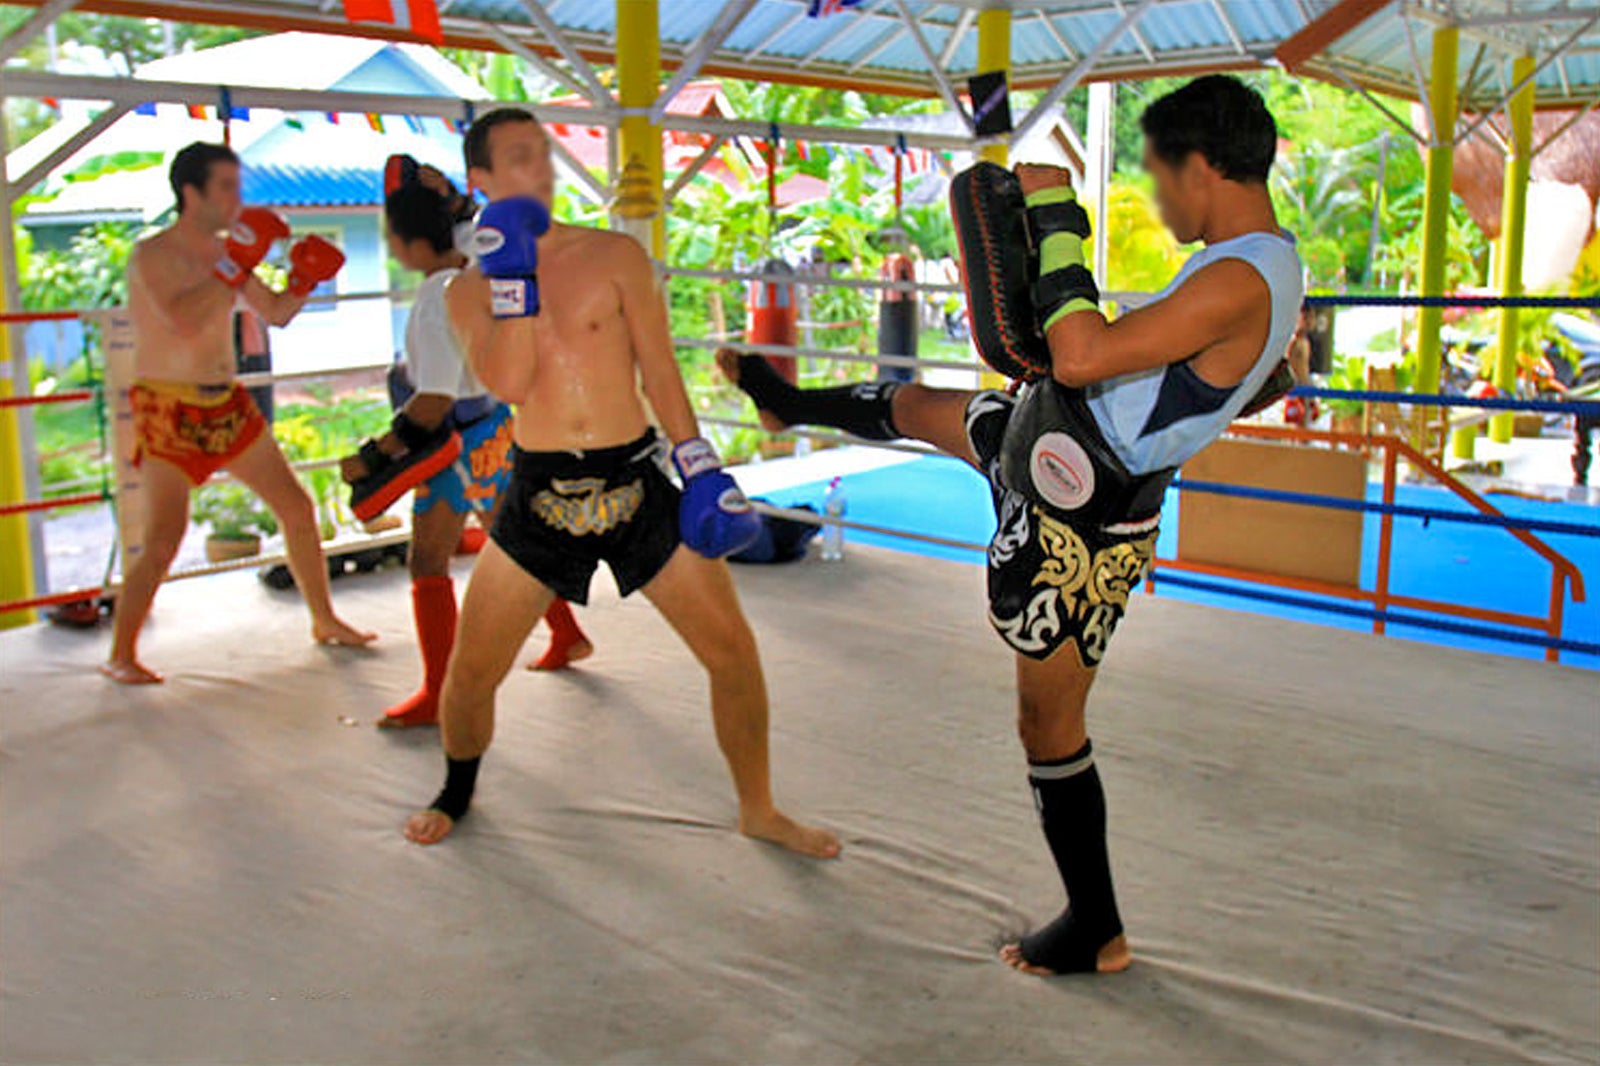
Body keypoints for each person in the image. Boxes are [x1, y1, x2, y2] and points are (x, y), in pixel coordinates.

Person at [718, 75, 1302, 972]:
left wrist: (1053, 212)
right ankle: (784, 400)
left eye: (1158, 174)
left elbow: (1080, 353)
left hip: (1085, 515)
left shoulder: (1235, 275)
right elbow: (1246, 372)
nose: (1154, 194)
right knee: (914, 404)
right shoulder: (1270, 262)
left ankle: (1094, 924)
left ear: (1202, 167)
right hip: (1056, 439)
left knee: (1049, 727)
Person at [401, 108, 839, 861]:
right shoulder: (464, 291)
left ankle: (758, 808)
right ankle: (456, 789)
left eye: (542, 154)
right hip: (538, 492)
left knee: (733, 652)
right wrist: (511, 283)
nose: (538, 169)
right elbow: (508, 383)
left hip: (635, 476)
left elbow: (659, 368)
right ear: (480, 180)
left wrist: (697, 460)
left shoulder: (613, 255)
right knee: (473, 673)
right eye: (517, 158)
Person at [104, 142, 375, 684]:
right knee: (164, 538)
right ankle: (121, 654)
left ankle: (323, 620)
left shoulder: (227, 252)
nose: (236, 198)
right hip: (168, 408)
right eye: (226, 187)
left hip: (225, 403)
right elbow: (181, 318)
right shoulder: (152, 255)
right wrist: (235, 265)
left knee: (297, 509)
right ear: (192, 193)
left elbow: (275, 314)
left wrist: (303, 280)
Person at [339, 178, 592, 729]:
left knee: (427, 560)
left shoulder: (437, 299)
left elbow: (432, 401)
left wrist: (375, 456)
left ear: (405, 243)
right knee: (512, 541)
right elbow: (467, 219)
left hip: (454, 440)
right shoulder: (479, 266)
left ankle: (439, 692)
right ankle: (567, 634)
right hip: (496, 426)